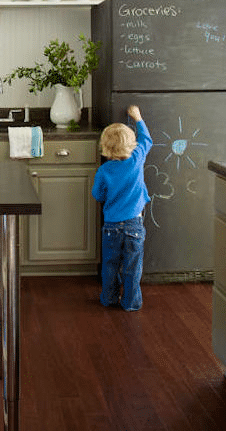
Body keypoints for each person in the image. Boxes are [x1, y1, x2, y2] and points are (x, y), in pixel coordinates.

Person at [92, 105, 152, 311]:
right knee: (132, 267)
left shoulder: (104, 170)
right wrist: (138, 118)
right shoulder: (137, 159)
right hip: (134, 225)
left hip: (111, 226)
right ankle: (131, 302)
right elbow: (147, 140)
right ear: (132, 145)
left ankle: (109, 298)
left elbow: (97, 195)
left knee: (110, 265)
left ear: (105, 147)